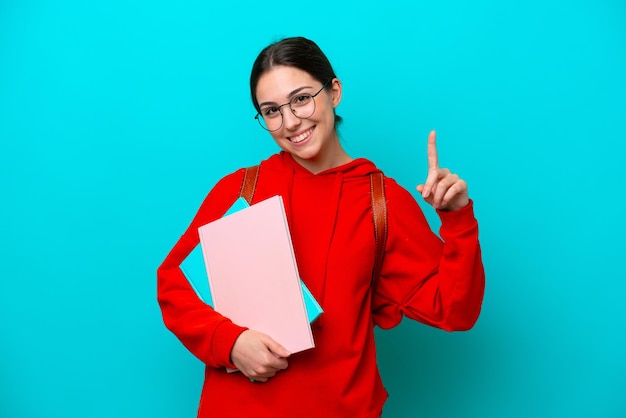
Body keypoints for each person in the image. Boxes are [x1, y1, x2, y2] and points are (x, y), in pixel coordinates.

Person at [157, 36, 485, 418]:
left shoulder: (383, 202)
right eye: (271, 110)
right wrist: (230, 343)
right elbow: (174, 285)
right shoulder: (241, 190)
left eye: (300, 98)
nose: (291, 121)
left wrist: (457, 218)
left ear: (334, 92)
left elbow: (455, 311)